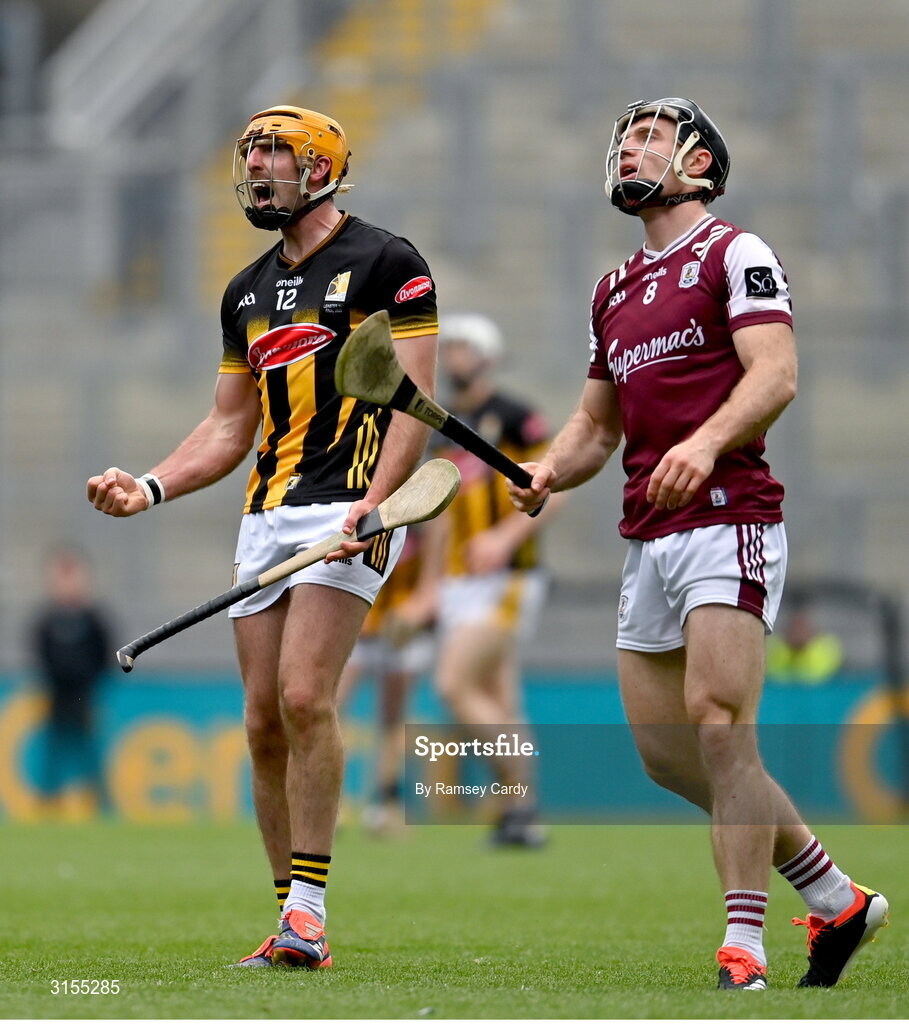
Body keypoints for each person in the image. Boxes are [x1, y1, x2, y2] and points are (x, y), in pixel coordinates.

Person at [507, 98, 888, 989]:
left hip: (728, 514)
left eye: (649, 138)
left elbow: (776, 375)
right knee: (669, 752)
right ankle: (835, 898)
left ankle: (743, 947)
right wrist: (547, 470)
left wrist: (705, 442)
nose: (627, 148)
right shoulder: (612, 290)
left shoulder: (734, 254)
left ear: (700, 168)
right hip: (648, 533)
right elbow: (594, 428)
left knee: (720, 725)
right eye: (622, 138)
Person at [87, 105, 438, 969]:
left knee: (306, 696)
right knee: (260, 723)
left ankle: (311, 913)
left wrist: (378, 504)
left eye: (274, 154)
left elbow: (416, 404)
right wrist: (151, 485)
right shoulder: (242, 291)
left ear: (318, 169)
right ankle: (291, 922)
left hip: (346, 507)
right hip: (267, 514)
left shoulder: (389, 263)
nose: (256, 169)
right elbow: (226, 425)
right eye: (249, 155)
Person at [398, 313, 562, 847]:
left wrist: (505, 539)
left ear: (488, 356)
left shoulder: (515, 415)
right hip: (460, 583)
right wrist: (429, 589)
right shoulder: (442, 428)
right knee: (500, 696)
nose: (457, 357)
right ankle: (520, 816)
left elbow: (553, 488)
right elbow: (440, 515)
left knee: (453, 683)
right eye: (454, 348)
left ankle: (522, 794)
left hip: (509, 576)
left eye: (466, 347)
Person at [337, 525, 434, 835]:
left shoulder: (428, 523)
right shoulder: (359, 509)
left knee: (392, 718)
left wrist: (416, 611)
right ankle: (330, 804)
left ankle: (386, 804)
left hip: (402, 632)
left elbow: (434, 581)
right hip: (358, 625)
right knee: (332, 707)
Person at [29, 545, 111, 817]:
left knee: (90, 756)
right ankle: (48, 807)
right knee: (53, 758)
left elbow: (104, 656)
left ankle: (99, 807)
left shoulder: (94, 619)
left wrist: (92, 683)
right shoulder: (46, 620)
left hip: (86, 697)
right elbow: (41, 657)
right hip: (57, 698)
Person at [766, 606, 844, 685]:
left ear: (810, 631)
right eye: (794, 629)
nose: (797, 634)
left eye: (801, 629)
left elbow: (821, 678)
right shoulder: (777, 653)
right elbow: (775, 678)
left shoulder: (824, 652)